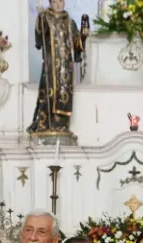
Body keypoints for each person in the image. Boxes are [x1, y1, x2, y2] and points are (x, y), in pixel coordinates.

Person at [28, 0, 85, 139]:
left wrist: (83, 35)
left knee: (64, 93)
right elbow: (40, 36)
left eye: (60, 1)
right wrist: (40, 17)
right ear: (50, 3)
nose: (58, 5)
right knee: (50, 92)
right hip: (51, 64)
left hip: (66, 67)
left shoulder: (70, 23)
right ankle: (46, 123)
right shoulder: (45, 18)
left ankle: (61, 125)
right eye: (55, 2)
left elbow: (77, 43)